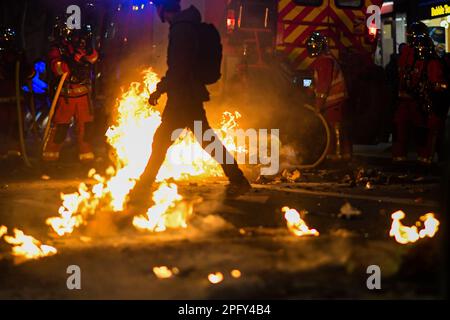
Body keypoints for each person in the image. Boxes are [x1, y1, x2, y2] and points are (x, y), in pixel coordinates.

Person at [126, 0, 250, 212]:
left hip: (183, 97)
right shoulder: (187, 26)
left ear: (163, 10)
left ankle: (142, 187)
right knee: (204, 140)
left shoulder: (181, 30)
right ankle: (238, 179)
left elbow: (179, 67)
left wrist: (160, 89)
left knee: (162, 142)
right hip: (189, 96)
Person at [42, 26, 98, 162]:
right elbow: (57, 68)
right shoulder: (58, 50)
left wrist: (85, 54)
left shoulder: (85, 47)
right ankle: (50, 156)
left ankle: (86, 155)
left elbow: (93, 57)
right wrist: (71, 61)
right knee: (60, 126)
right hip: (65, 95)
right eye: (74, 36)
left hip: (83, 96)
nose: (77, 39)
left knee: (85, 126)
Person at [394, 32, 448, 165]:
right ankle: (416, 160)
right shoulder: (416, 61)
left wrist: (433, 87)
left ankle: (424, 160)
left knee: (423, 132)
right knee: (416, 132)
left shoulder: (429, 63)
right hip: (415, 102)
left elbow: (439, 84)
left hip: (423, 103)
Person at [306, 32, 351, 160]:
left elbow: (323, 85)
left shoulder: (324, 61)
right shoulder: (325, 60)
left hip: (334, 102)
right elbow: (315, 82)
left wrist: (317, 105)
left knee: (333, 131)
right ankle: (341, 156)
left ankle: (336, 159)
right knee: (335, 130)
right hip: (334, 102)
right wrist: (308, 93)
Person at [0, 27, 34, 158]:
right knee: (2, 125)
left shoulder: (18, 56)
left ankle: (15, 151)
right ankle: (3, 151)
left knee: (16, 125)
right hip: (2, 98)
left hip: (16, 98)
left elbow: (28, 73)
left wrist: (24, 66)